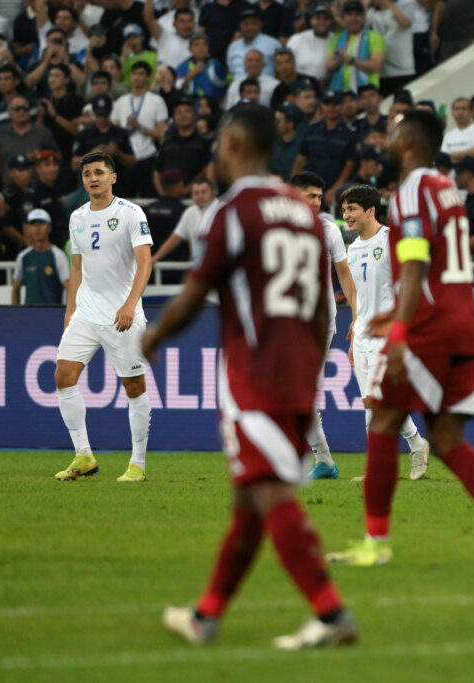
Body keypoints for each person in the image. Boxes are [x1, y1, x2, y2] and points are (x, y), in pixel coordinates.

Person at [142, 102, 357, 649]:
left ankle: (331, 613)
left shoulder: (232, 211)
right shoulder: (305, 213)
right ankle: (205, 615)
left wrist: (155, 336)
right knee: (249, 503)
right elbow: (320, 308)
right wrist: (309, 372)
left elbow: (196, 291)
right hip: (297, 369)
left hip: (254, 377)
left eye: (219, 141)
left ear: (234, 143)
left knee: (269, 493)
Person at [326, 108, 474, 567]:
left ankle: (376, 543)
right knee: (443, 436)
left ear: (408, 142)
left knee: (383, 420)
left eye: (393, 132)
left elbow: (417, 259)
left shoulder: (411, 190)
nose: (386, 139)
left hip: (430, 324)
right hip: (461, 319)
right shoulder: (445, 188)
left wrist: (401, 328)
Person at [53, 151, 153, 483]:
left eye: (98, 172)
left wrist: (130, 304)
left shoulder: (130, 213)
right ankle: (84, 456)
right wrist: (70, 312)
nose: (92, 178)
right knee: (63, 376)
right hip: (86, 313)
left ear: (113, 177)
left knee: (133, 385)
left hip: (122, 314)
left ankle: (137, 464)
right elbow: (77, 268)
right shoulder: (77, 216)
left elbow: (145, 262)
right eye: (87, 174)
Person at [341, 183, 430, 479]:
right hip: (363, 334)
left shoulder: (392, 240)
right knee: (373, 403)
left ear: (370, 211)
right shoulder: (353, 249)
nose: (346, 215)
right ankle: (417, 444)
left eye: (352, 209)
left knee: (375, 403)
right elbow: (358, 295)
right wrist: (354, 329)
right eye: (344, 210)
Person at [289, 171, 356, 479]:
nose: (317, 202)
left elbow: (344, 272)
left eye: (319, 196)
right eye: (311, 196)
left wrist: (356, 314)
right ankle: (323, 461)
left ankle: (321, 460)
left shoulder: (328, 230)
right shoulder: (276, 228)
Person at [111, 60, 168, 198]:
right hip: (124, 158)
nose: (137, 77)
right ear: (130, 77)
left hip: (147, 157)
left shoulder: (156, 101)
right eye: (134, 73)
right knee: (123, 201)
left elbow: (163, 135)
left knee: (148, 199)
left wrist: (140, 128)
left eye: (141, 74)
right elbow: (114, 131)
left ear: (148, 77)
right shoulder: (121, 101)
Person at [290, 92, 358, 206]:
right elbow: (301, 159)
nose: (331, 108)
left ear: (341, 106)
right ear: (321, 106)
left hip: (333, 192)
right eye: (327, 104)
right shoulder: (311, 130)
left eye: (335, 104)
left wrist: (336, 189)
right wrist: (293, 186)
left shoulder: (350, 133)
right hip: (308, 188)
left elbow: (350, 164)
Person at [11, 208, 69, 304]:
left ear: (49, 227)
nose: (37, 229)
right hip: (29, 312)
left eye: (41, 224)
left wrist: (66, 311)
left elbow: (69, 288)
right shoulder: (23, 257)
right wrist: (15, 311)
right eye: (33, 224)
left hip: (52, 312)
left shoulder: (58, 256)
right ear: (29, 229)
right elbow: (15, 287)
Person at [326, 0, 385, 93]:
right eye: (349, 15)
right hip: (341, 92)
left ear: (364, 17)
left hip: (367, 92)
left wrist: (350, 60)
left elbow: (375, 66)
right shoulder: (337, 38)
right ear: (343, 17)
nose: (353, 18)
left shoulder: (375, 37)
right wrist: (339, 61)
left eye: (357, 15)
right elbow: (328, 67)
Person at [153, 178, 216, 265]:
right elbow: (174, 238)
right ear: (192, 196)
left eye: (204, 192)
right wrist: (155, 258)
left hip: (221, 265)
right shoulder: (190, 212)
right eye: (196, 193)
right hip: (199, 265)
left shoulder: (223, 210)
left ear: (212, 193)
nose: (200, 196)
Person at [367, 0, 415, 96]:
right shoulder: (371, 13)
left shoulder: (405, 6)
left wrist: (389, 4)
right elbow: (358, 29)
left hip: (403, 70)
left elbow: (405, 23)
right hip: (382, 72)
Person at [226, 7, 282, 79]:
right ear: (240, 26)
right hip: (238, 85)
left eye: (253, 24)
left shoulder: (273, 44)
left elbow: (281, 70)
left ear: (261, 25)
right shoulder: (233, 47)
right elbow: (231, 73)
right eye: (246, 24)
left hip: (266, 85)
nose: (249, 27)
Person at [287, 4, 333, 83]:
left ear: (331, 21)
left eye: (325, 19)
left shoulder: (337, 40)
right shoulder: (297, 39)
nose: (321, 22)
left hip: (327, 86)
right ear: (311, 20)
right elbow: (285, 64)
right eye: (317, 18)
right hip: (299, 85)